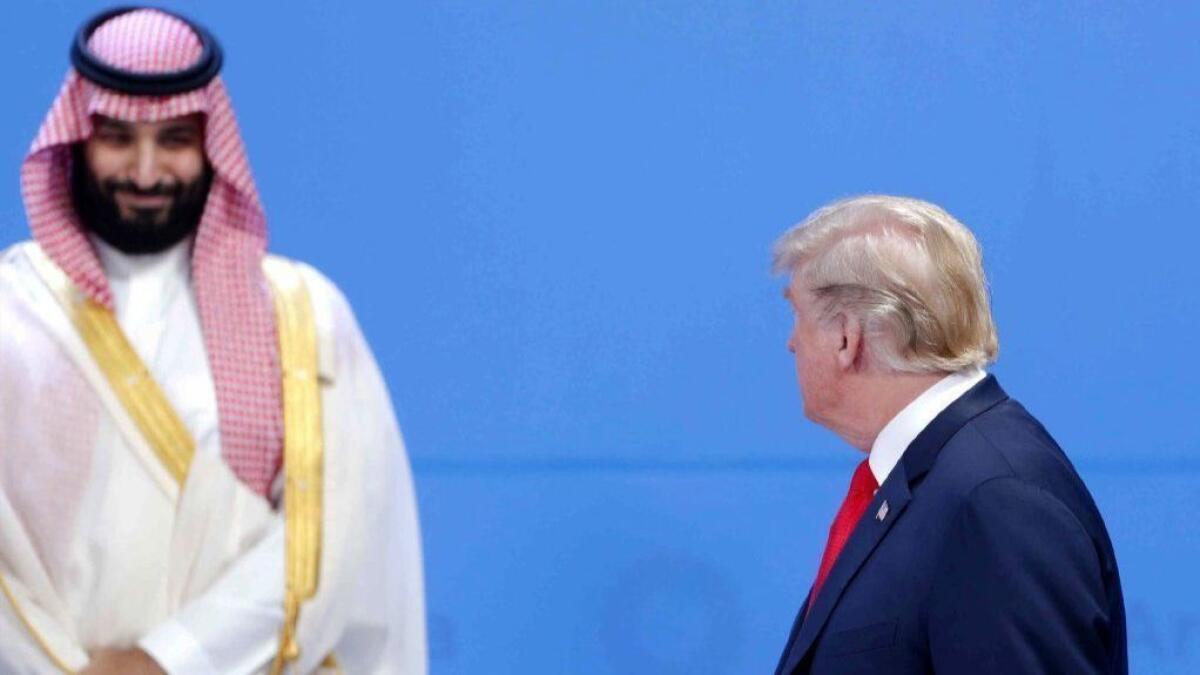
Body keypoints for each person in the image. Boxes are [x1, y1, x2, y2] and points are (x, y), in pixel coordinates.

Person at [0, 7, 426, 674]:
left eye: (174, 139)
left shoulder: (303, 316)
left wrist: (166, 660)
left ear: (211, 145)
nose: (145, 173)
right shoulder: (10, 311)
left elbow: (332, 534)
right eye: (116, 137)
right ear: (76, 139)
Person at [770, 195, 1126, 674]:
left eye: (798, 315)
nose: (791, 342)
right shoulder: (934, 482)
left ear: (845, 338)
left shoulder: (996, 498)